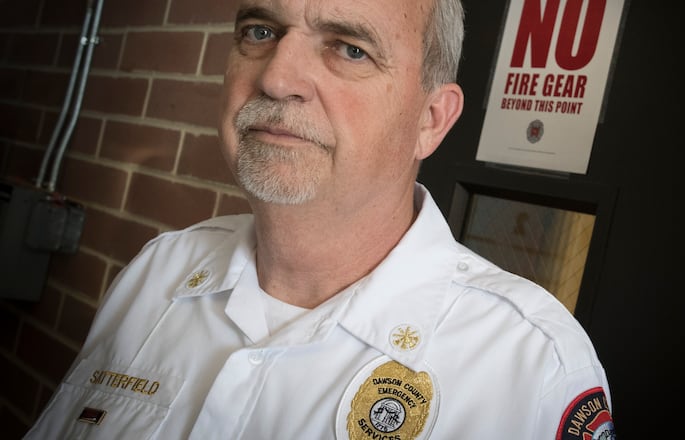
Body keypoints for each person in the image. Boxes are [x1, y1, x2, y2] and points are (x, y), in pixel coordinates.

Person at [24, 0, 615, 438]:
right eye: (260, 31)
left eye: (350, 48)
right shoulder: (160, 270)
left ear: (431, 120)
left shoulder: (529, 365)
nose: (277, 77)